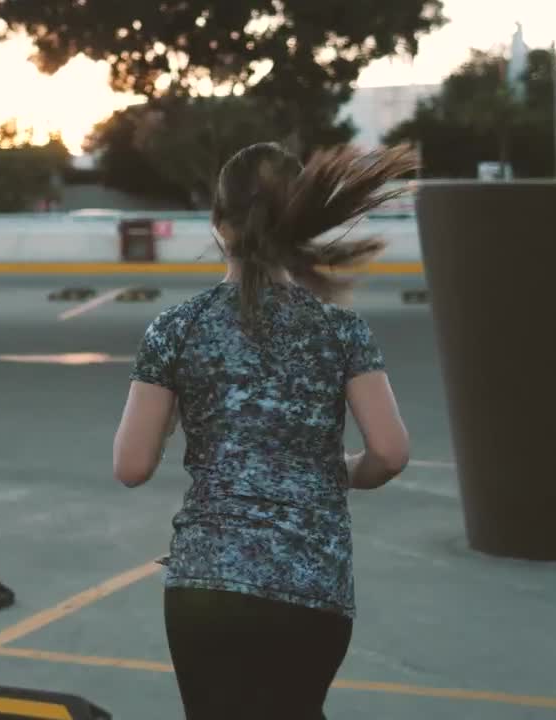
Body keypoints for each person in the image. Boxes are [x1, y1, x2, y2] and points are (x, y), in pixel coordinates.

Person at [112, 141, 416, 719]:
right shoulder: (340, 330)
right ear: (301, 223)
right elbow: (391, 452)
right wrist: (346, 471)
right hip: (313, 586)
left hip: (207, 582)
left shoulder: (176, 328)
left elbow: (131, 467)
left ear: (216, 224)